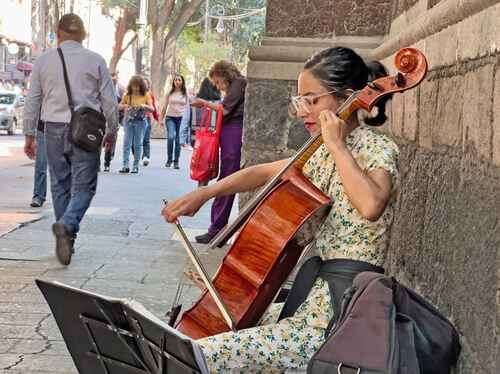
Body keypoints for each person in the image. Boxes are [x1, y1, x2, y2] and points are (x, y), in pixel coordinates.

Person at [162, 46, 399, 372]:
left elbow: (371, 204)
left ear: (346, 98)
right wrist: (205, 194)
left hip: (343, 308)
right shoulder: (319, 152)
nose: (303, 111)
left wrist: (337, 146)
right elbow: (262, 172)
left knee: (205, 353)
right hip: (311, 298)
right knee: (199, 336)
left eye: (312, 100)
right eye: (300, 100)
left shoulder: (377, 148)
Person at [23, 13, 118, 266]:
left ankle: (66, 235)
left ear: (59, 32)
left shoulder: (44, 61)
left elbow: (33, 100)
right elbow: (109, 101)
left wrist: (29, 133)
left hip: (52, 128)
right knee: (85, 187)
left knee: (60, 184)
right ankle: (66, 225)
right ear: (83, 35)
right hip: (85, 129)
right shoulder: (95, 60)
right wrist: (112, 130)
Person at [190, 61, 246, 244]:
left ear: (224, 75)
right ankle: (216, 228)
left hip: (233, 132)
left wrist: (204, 103)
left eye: (218, 81)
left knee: (227, 179)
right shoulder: (236, 85)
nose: (217, 86)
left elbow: (225, 109)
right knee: (225, 178)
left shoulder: (238, 83)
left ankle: (216, 229)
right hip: (229, 131)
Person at [118, 75, 153, 174]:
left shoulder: (146, 95)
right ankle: (125, 165)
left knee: (137, 144)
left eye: (137, 86)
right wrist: (126, 106)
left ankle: (135, 166)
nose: (136, 88)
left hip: (141, 122)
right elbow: (118, 106)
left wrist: (144, 105)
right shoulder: (127, 95)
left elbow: (152, 108)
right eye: (134, 86)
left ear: (141, 86)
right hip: (128, 121)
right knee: (126, 143)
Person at [160, 74, 187, 169]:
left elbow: (189, 107)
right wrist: (161, 119)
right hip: (170, 117)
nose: (177, 81)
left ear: (182, 82)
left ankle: (176, 161)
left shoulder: (185, 94)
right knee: (171, 137)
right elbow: (164, 106)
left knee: (178, 140)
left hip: (181, 119)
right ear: (173, 82)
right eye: (175, 80)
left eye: (179, 80)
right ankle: (169, 159)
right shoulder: (169, 93)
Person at [103, 70, 125, 172]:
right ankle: (97, 162)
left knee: (110, 140)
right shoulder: (101, 86)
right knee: (99, 140)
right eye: (110, 76)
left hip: (114, 118)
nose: (112, 78)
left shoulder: (121, 89)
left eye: (114, 76)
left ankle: (107, 161)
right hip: (101, 117)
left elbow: (124, 104)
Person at [141, 77, 159, 167]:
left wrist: (157, 117)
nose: (144, 85)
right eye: (142, 83)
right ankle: (137, 154)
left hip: (146, 118)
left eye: (146, 83)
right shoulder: (136, 94)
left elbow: (154, 107)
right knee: (136, 141)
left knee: (146, 139)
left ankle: (146, 157)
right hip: (136, 120)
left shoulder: (150, 94)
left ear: (148, 85)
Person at [30, 118, 47, 208]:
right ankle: (38, 196)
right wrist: (29, 133)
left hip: (67, 124)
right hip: (43, 127)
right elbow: (32, 106)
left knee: (65, 165)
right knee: (41, 163)